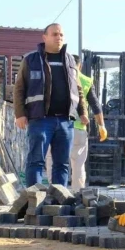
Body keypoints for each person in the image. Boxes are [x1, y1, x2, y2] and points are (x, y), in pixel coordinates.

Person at [14, 23, 88, 186]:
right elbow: (19, 88)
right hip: (40, 120)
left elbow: (78, 89)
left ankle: (58, 201)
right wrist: (20, 114)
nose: (58, 37)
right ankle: (34, 201)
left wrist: (83, 112)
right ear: (44, 37)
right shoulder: (31, 60)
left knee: (62, 164)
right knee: (36, 161)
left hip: (65, 121)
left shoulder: (69, 60)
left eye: (61, 35)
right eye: (54, 34)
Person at [45, 54, 107, 191]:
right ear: (80, 66)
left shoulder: (57, 75)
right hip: (79, 128)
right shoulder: (86, 80)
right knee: (78, 163)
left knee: (53, 159)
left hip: (60, 126)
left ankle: (55, 191)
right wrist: (101, 126)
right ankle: (78, 193)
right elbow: (96, 105)